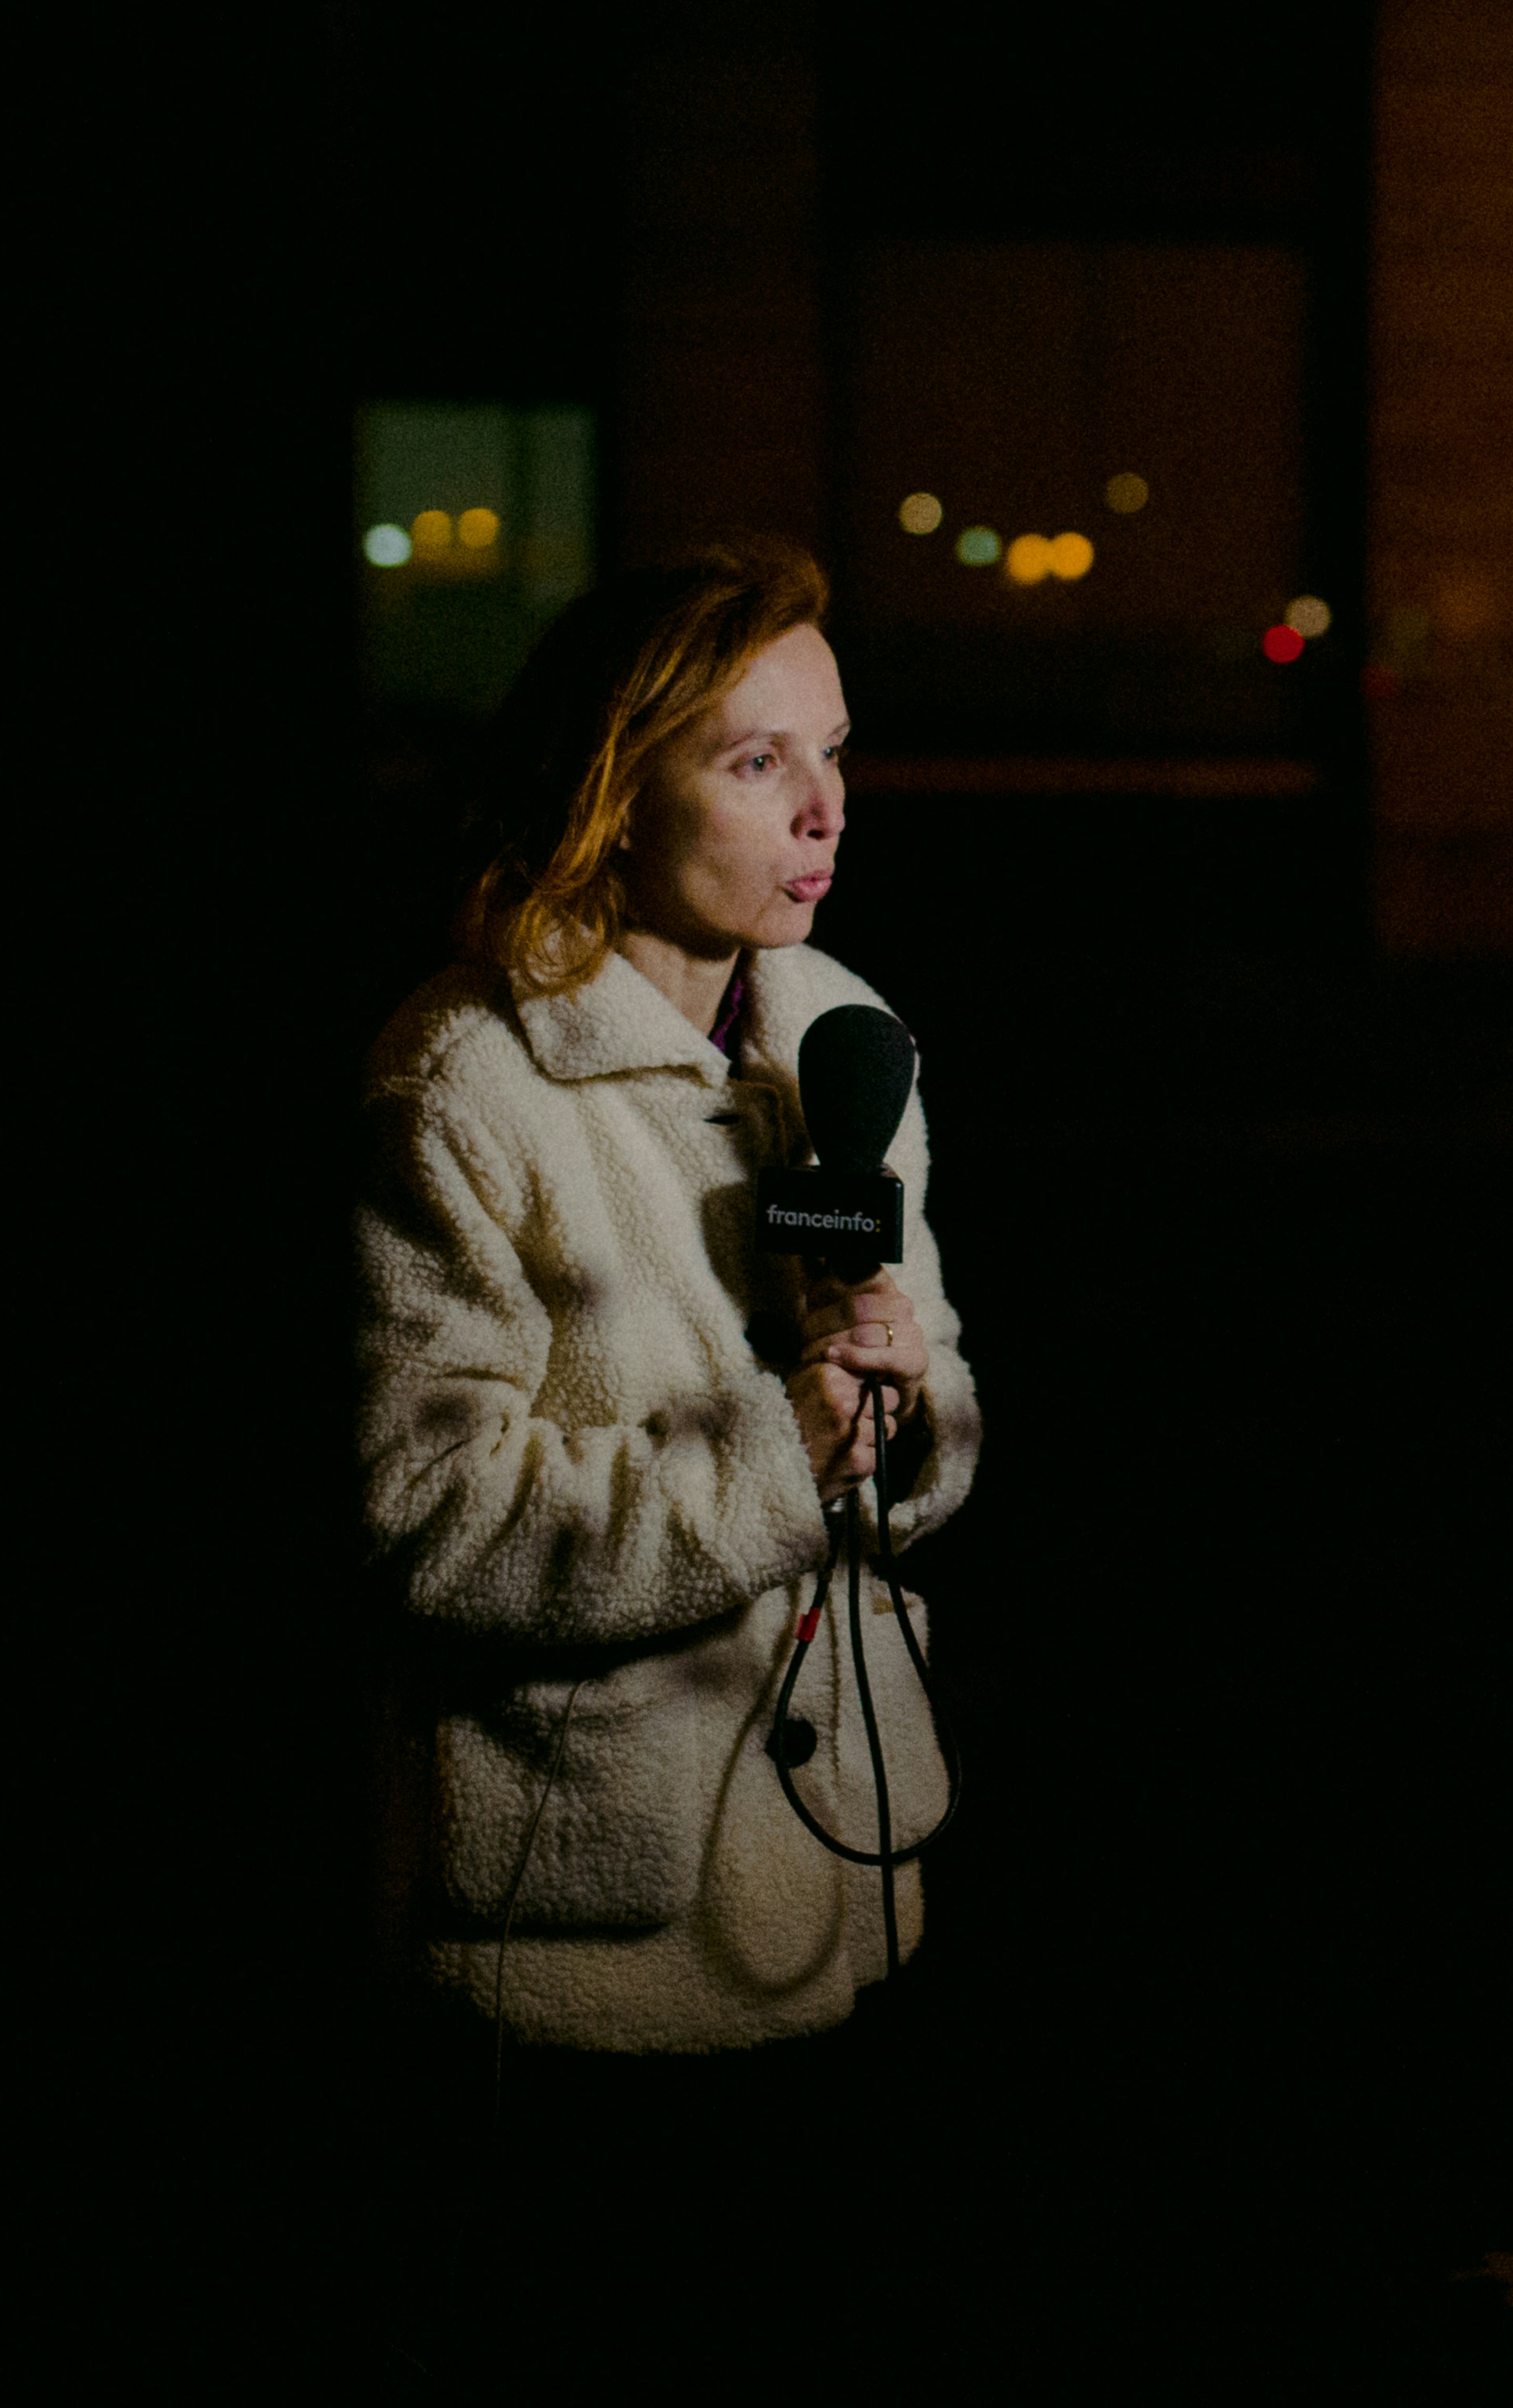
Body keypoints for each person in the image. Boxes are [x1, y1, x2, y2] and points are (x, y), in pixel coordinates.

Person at [351, 540, 975, 2115]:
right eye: (758, 762)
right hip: (585, 1949)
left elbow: (940, 1431)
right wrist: (780, 1459)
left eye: (832, 752)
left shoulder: (848, 1034)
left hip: (846, 1876)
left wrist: (909, 1421)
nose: (826, 811)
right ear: (619, 781)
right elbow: (427, 1518)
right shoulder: (466, 1086)